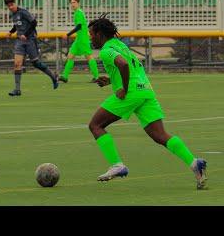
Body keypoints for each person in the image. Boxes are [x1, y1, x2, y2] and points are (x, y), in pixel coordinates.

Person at [86, 15, 207, 189]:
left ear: (100, 34)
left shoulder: (106, 50)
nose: (90, 38)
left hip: (132, 92)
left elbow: (123, 65)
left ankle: (117, 165)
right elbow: (129, 66)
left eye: (91, 34)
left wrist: (124, 89)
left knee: (95, 125)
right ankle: (195, 163)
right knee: (160, 135)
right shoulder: (121, 45)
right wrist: (111, 81)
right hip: (146, 90)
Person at [4, 0, 58, 96]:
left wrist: (26, 34)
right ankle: (17, 89)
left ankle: (53, 76)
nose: (10, 7)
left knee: (36, 63)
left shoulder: (23, 12)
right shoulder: (13, 14)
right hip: (20, 41)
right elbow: (17, 25)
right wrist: (11, 32)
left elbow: (34, 22)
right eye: (8, 6)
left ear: (15, 3)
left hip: (30, 40)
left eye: (12, 4)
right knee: (17, 64)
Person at [59, 0, 99, 84]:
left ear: (78, 3)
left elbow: (79, 26)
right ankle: (65, 77)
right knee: (70, 56)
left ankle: (97, 77)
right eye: (71, 3)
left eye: (74, 2)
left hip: (83, 39)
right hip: (79, 39)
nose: (72, 4)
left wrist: (68, 34)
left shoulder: (79, 13)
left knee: (89, 57)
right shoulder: (77, 12)